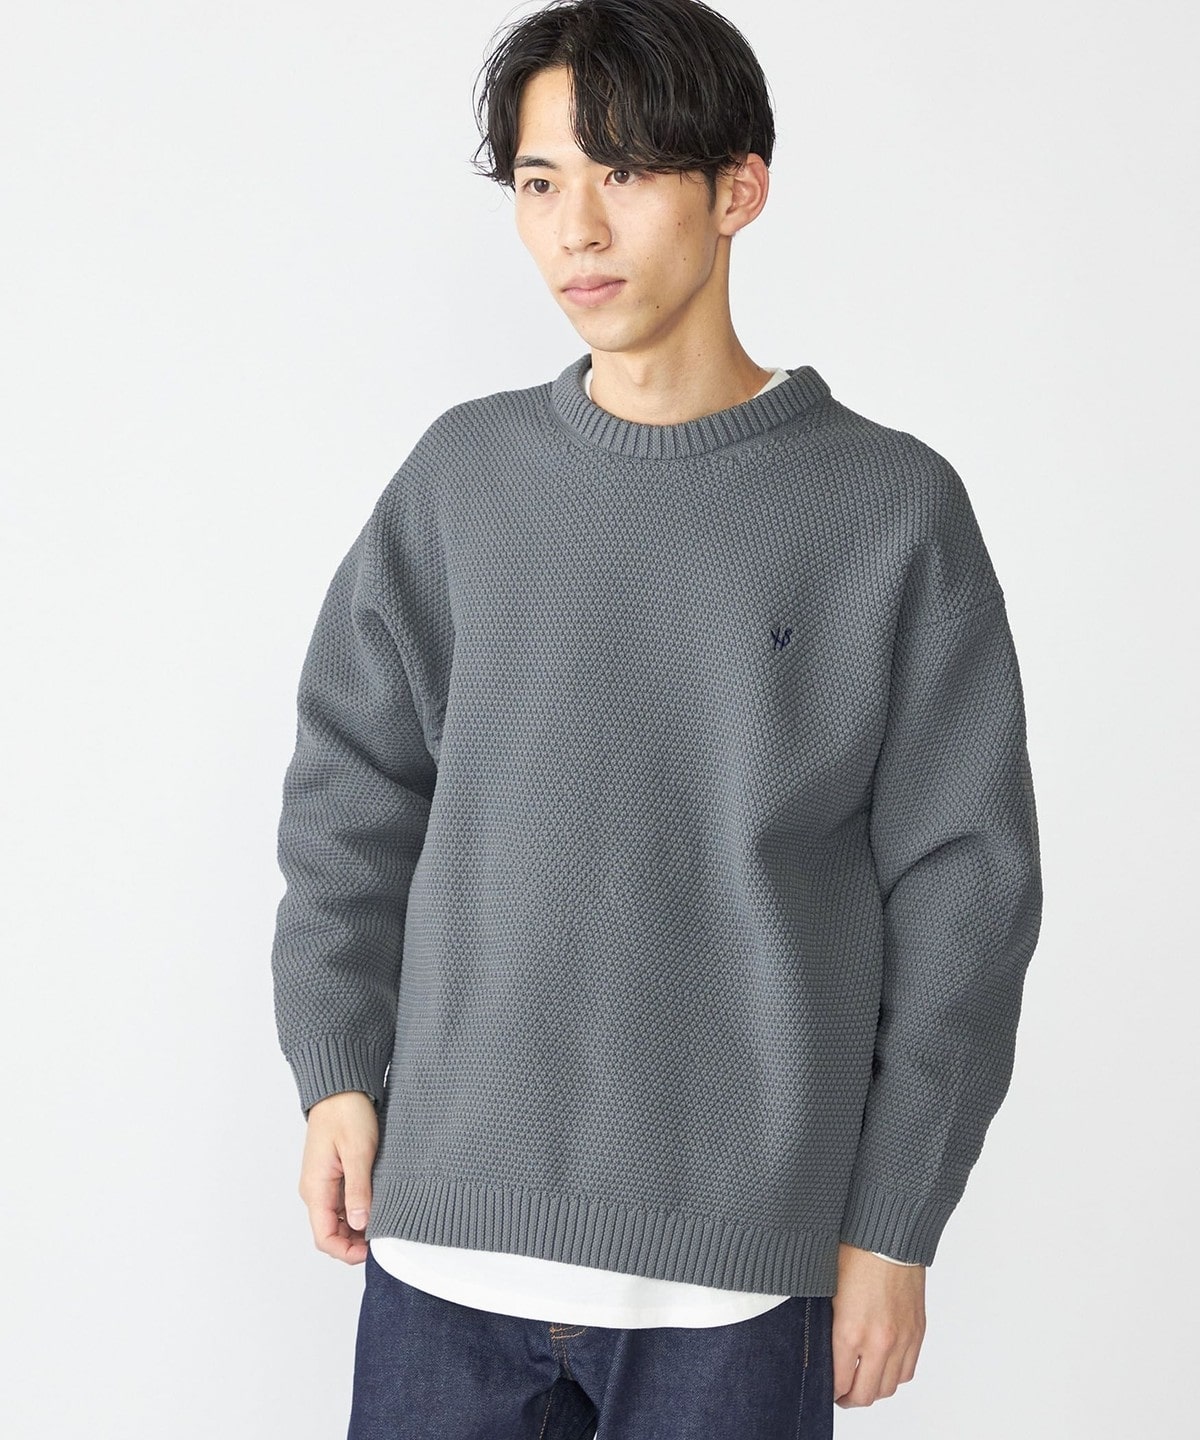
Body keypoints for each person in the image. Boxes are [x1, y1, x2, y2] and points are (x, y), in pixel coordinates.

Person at [269, 1, 1044, 1434]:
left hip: (736, 1287)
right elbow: (352, 789)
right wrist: (333, 1067)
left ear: (738, 188)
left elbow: (966, 896)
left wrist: (897, 1226)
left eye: (623, 172)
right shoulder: (464, 477)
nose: (577, 230)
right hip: (442, 1253)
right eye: (541, 182)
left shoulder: (889, 509)